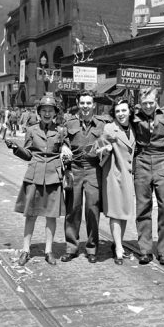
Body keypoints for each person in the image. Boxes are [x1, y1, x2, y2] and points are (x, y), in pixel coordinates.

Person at [4, 95, 66, 266]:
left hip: (53, 176)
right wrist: (17, 149)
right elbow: (28, 154)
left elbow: (64, 151)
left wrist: (66, 155)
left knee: (51, 216)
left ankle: (48, 251)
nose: (47, 113)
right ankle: (25, 250)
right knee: (30, 215)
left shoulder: (61, 131)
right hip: (35, 175)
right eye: (44, 110)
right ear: (39, 112)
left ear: (55, 113)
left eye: (50, 110)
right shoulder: (32, 130)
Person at [60, 91, 109, 263]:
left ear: (94, 105)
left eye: (89, 103)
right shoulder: (70, 123)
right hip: (74, 169)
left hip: (93, 169)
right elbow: (63, 142)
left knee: (92, 209)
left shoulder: (102, 124)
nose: (86, 106)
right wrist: (64, 149)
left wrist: (102, 148)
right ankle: (71, 247)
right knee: (72, 209)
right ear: (78, 103)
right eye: (82, 103)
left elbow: (109, 141)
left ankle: (92, 248)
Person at [132, 87, 164, 266]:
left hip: (163, 159)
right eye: (144, 103)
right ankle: (145, 250)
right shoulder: (134, 115)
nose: (148, 106)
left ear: (156, 100)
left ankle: (163, 251)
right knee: (143, 207)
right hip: (142, 159)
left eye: (151, 102)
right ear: (140, 101)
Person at [98, 98, 136, 265]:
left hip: (131, 176)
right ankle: (119, 247)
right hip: (114, 174)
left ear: (130, 111)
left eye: (124, 110)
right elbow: (97, 150)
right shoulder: (109, 128)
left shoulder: (136, 127)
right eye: (118, 111)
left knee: (125, 211)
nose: (121, 114)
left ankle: (117, 242)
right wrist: (105, 150)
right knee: (115, 211)